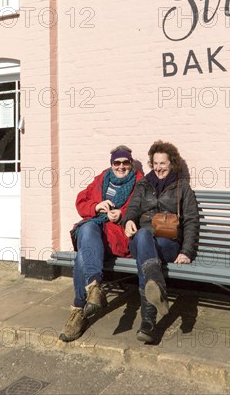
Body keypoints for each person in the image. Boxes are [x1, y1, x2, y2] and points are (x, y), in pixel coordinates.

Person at [59, 145, 143, 342]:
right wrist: (96, 206)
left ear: (130, 164)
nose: (121, 167)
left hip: (117, 236)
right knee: (87, 229)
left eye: (125, 163)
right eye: (117, 163)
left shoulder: (140, 182)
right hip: (95, 233)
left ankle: (79, 309)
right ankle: (94, 288)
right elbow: (81, 201)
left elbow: (145, 208)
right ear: (111, 164)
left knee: (83, 253)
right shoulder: (102, 178)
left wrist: (123, 214)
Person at [123, 140, 199, 343]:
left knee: (146, 258)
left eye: (162, 163)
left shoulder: (182, 187)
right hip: (142, 238)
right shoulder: (143, 184)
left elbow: (191, 220)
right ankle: (157, 288)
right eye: (155, 163)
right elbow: (132, 209)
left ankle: (148, 322)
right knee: (143, 236)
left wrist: (187, 251)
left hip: (168, 242)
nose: (158, 168)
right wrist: (129, 220)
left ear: (172, 163)